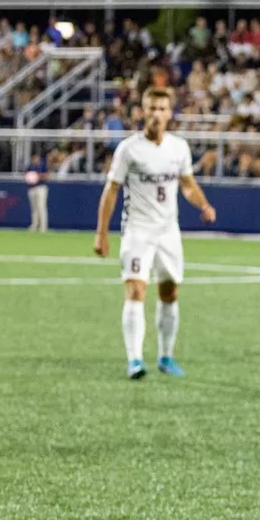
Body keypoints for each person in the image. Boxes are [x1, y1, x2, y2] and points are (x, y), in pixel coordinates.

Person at [93, 88, 216, 379]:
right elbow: (111, 191)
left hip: (168, 231)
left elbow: (186, 183)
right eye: (152, 108)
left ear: (170, 112)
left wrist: (203, 203)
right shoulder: (129, 149)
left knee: (170, 292)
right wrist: (101, 233)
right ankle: (134, 360)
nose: (157, 114)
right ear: (142, 112)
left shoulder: (178, 148)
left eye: (162, 108)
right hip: (137, 230)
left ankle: (165, 356)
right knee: (136, 290)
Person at [25, 152, 49, 232]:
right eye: (33, 158)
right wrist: (30, 178)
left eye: (36, 157)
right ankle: (34, 225)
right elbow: (26, 176)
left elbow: (46, 176)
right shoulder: (30, 166)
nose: (35, 159)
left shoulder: (42, 165)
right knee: (34, 208)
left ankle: (43, 227)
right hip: (32, 188)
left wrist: (37, 176)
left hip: (41, 188)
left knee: (41, 207)